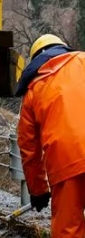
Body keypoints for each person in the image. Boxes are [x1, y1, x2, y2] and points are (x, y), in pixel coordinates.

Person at [17, 34, 85, 237]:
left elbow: (29, 149)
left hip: (66, 164)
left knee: (68, 231)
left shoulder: (33, 90)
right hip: (67, 163)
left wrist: (38, 191)